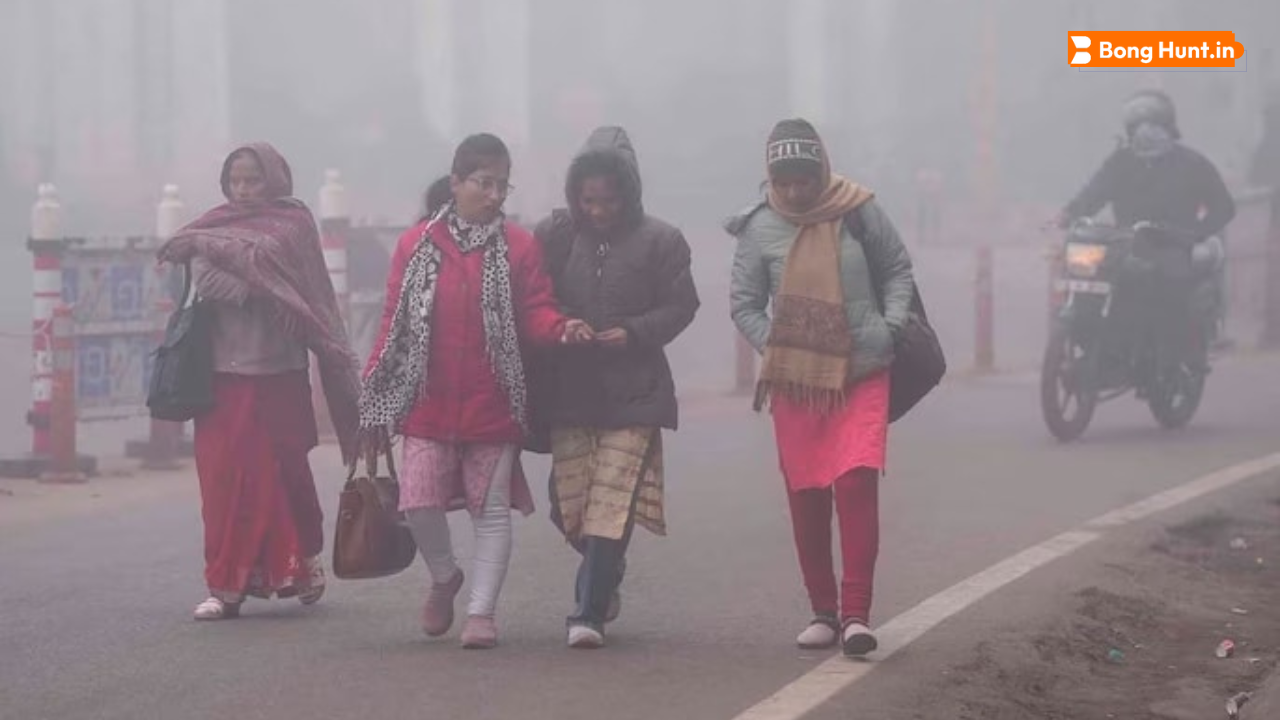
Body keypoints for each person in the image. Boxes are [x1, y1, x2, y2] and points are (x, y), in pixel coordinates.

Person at [359, 133, 593, 649]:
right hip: (426, 402)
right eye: (484, 183)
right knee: (418, 504)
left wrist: (560, 327)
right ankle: (445, 577)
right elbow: (392, 323)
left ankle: (482, 614)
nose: (493, 195)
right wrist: (374, 398)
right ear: (457, 181)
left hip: (495, 400)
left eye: (502, 187)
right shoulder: (415, 244)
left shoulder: (519, 246)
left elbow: (536, 309)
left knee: (490, 513)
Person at [726, 119, 916, 657]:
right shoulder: (758, 228)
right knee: (807, 494)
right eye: (783, 182)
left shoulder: (857, 208)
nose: (795, 191)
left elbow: (897, 269)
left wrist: (892, 326)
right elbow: (743, 304)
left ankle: (857, 615)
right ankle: (823, 612)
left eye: (804, 179)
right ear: (770, 179)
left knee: (855, 484)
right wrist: (780, 348)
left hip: (861, 369)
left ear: (822, 172)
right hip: (797, 382)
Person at [157, 143, 360, 621]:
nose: (244, 190)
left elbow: (309, 291)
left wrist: (276, 292)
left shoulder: (293, 226)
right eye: (236, 181)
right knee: (226, 481)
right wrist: (270, 291)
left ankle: (301, 565)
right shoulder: (210, 227)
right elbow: (208, 281)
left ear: (275, 180)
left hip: (282, 373)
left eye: (253, 180)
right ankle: (225, 585)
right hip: (223, 377)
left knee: (286, 472)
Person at [533, 126, 699, 649]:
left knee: (611, 500)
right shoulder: (555, 236)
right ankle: (608, 570)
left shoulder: (663, 240)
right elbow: (534, 298)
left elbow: (681, 306)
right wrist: (563, 325)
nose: (599, 210)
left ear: (628, 194)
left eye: (609, 200)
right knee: (571, 505)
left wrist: (635, 332)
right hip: (571, 390)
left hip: (636, 390)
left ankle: (587, 613)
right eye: (588, 200)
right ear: (574, 196)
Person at [1057, 90, 1236, 363]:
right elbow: (1095, 192)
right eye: (1138, 124)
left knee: (1167, 289)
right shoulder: (1121, 161)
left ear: (1169, 126)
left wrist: (1196, 233)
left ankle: (1169, 355)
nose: (1146, 131)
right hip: (1126, 242)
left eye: (1154, 123)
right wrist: (1070, 213)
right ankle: (1103, 345)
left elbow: (1223, 207)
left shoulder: (1192, 164)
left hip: (1174, 245)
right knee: (1093, 276)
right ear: (1129, 129)